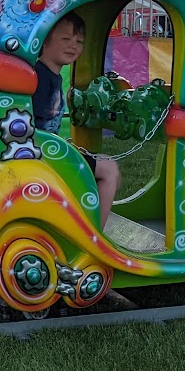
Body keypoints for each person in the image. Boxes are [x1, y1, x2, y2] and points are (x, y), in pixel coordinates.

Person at [33, 12, 120, 227]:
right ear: (44, 41)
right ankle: (95, 236)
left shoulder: (49, 76)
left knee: (105, 165)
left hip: (49, 152)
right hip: (42, 157)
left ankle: (82, 222)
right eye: (65, 39)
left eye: (79, 41)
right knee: (110, 171)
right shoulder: (40, 79)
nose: (73, 45)